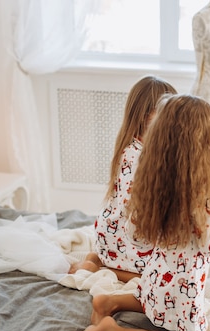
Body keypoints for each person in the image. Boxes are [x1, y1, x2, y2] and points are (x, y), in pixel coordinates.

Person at [81, 94, 210, 331]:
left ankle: (109, 301)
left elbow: (136, 235)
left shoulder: (154, 184)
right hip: (183, 284)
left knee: (152, 299)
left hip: (156, 273)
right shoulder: (200, 195)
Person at [69, 76, 177, 283]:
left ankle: (97, 258)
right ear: (146, 116)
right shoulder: (134, 156)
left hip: (117, 235)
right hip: (125, 236)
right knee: (160, 277)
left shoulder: (150, 149)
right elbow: (134, 213)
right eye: (166, 112)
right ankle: (98, 268)